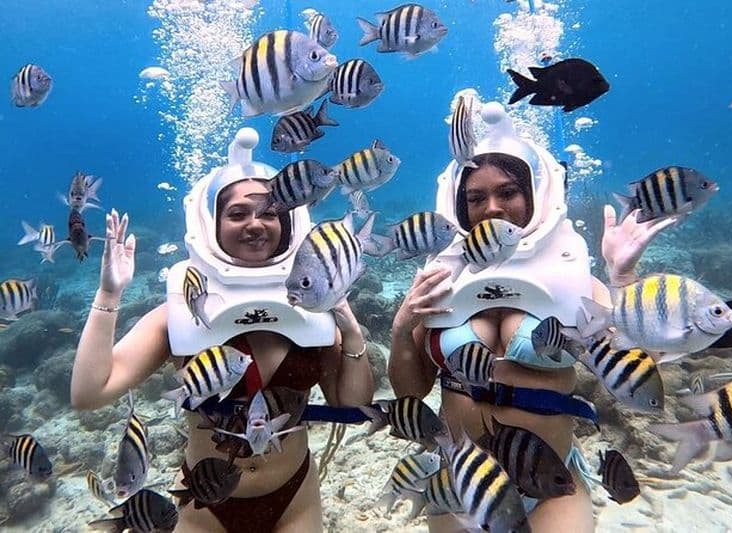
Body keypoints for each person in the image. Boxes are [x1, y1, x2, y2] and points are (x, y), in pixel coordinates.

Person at [388, 102, 675, 532]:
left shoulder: (575, 282)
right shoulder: (439, 281)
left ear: (532, 194)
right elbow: (411, 391)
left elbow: (639, 374)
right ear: (458, 204)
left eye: (508, 192)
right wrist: (399, 330)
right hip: (462, 484)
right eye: (475, 197)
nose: (492, 208)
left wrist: (622, 276)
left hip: (551, 481)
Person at [70, 128, 374, 533]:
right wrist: (109, 293)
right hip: (203, 504)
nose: (255, 224)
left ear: (288, 221)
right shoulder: (180, 312)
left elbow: (350, 404)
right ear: (211, 225)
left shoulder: (315, 303)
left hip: (294, 497)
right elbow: (89, 394)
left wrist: (351, 335)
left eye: (269, 212)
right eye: (237, 214)